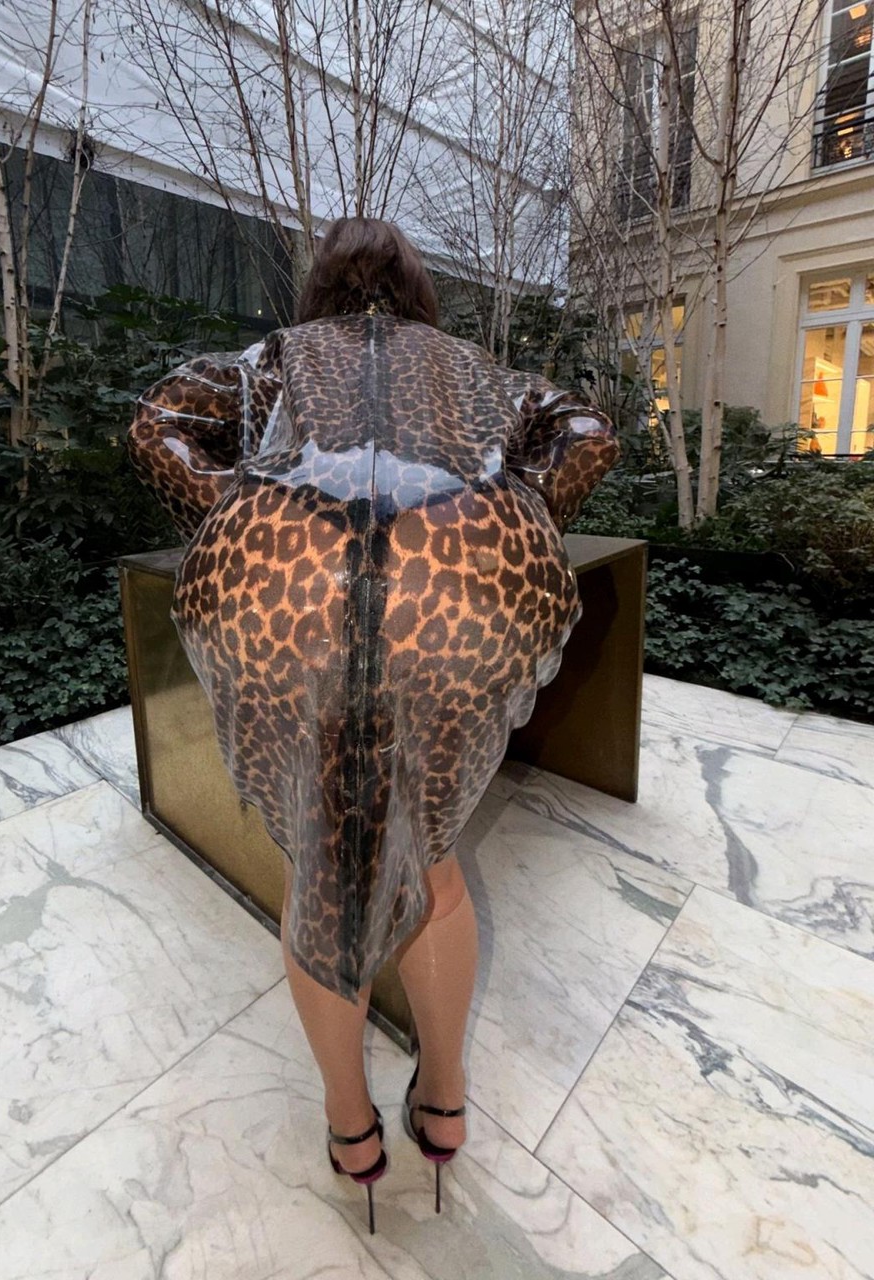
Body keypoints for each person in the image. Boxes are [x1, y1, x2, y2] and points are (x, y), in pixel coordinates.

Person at [127, 217, 618, 1232]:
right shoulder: (475, 368)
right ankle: (444, 1098)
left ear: (321, 287)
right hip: (462, 569)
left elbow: (156, 424)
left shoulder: (274, 356)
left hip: (286, 576)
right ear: (418, 290)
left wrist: (234, 510)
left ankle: (351, 1125)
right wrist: (522, 512)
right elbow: (591, 434)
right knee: (432, 858)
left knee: (322, 863)